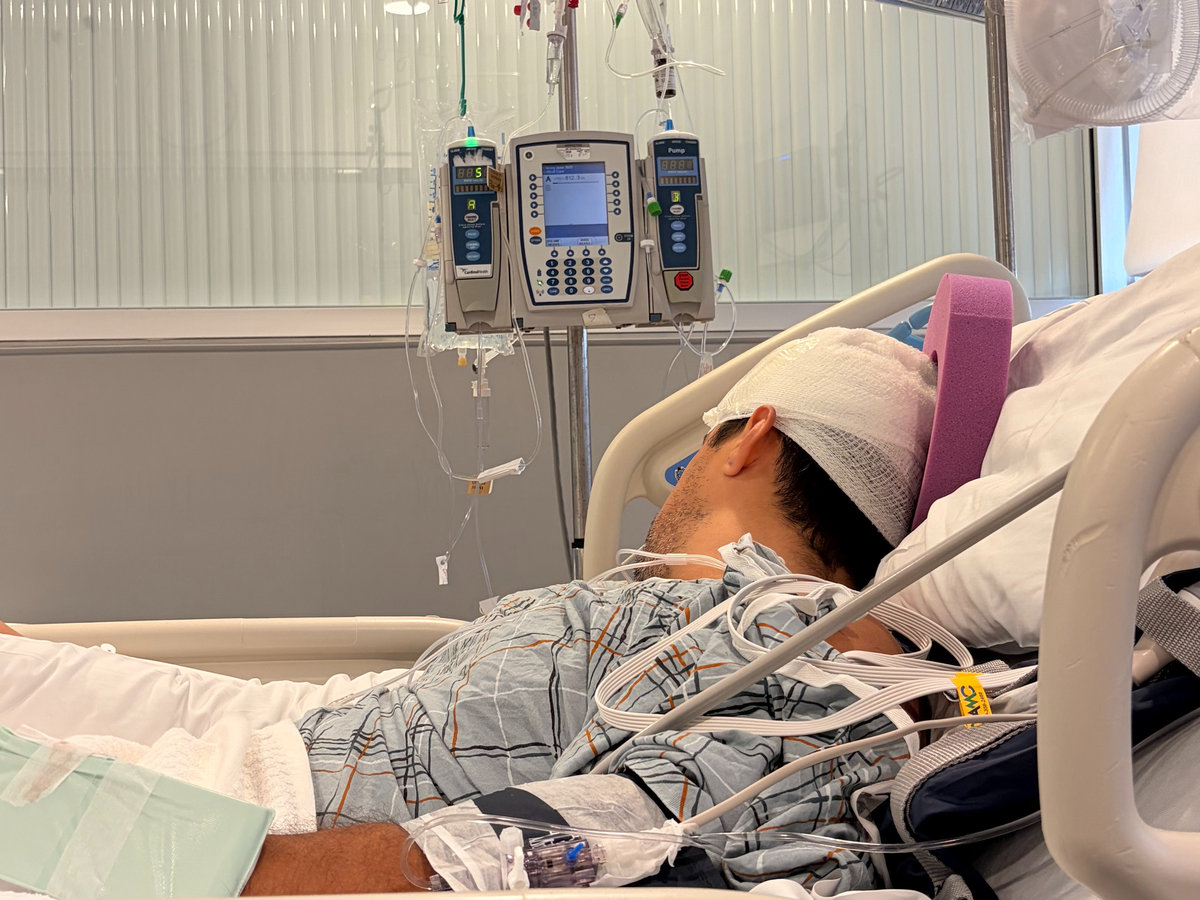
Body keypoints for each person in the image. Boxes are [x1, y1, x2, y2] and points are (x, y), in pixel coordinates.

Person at [1, 327, 939, 897]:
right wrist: (49, 668)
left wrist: (165, 860)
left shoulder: (802, 642)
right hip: (270, 758)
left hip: (234, 822)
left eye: (700, 444)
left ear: (750, 437)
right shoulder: (679, 608)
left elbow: (599, 835)